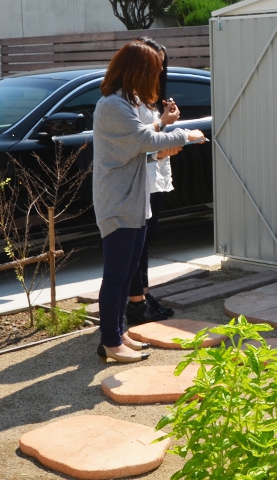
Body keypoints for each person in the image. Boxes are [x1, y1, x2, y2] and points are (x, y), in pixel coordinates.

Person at [93, 40, 205, 363]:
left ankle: (119, 333)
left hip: (133, 198)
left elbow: (140, 138)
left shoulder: (125, 103)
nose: (156, 78)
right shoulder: (113, 105)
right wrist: (188, 134)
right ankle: (110, 343)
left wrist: (162, 130)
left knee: (128, 271)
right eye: (153, 71)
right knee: (116, 274)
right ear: (137, 72)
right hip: (118, 201)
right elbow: (143, 140)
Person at [126, 37, 180, 324]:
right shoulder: (126, 100)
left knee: (146, 241)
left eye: (162, 64)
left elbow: (153, 135)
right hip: (140, 177)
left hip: (155, 173)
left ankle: (143, 295)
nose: (159, 70)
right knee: (137, 241)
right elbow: (139, 141)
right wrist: (164, 123)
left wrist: (165, 118)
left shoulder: (149, 95)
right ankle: (135, 302)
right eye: (154, 64)